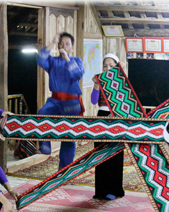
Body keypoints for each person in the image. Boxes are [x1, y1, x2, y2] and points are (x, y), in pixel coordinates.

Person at [35, 32, 85, 170]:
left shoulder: (76, 61)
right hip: (55, 100)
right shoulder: (52, 61)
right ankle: (45, 147)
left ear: (72, 47)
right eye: (61, 43)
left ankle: (65, 169)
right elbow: (40, 59)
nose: (63, 46)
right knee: (42, 112)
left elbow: (77, 74)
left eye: (67, 44)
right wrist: (52, 42)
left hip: (71, 102)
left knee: (68, 135)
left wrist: (67, 58)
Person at [90, 53, 125, 200]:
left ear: (117, 67)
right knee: (100, 154)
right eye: (105, 66)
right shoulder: (99, 80)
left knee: (114, 155)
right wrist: (96, 85)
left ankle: (114, 189)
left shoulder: (122, 82)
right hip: (102, 118)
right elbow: (93, 101)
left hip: (116, 120)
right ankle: (101, 190)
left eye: (111, 65)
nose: (108, 68)